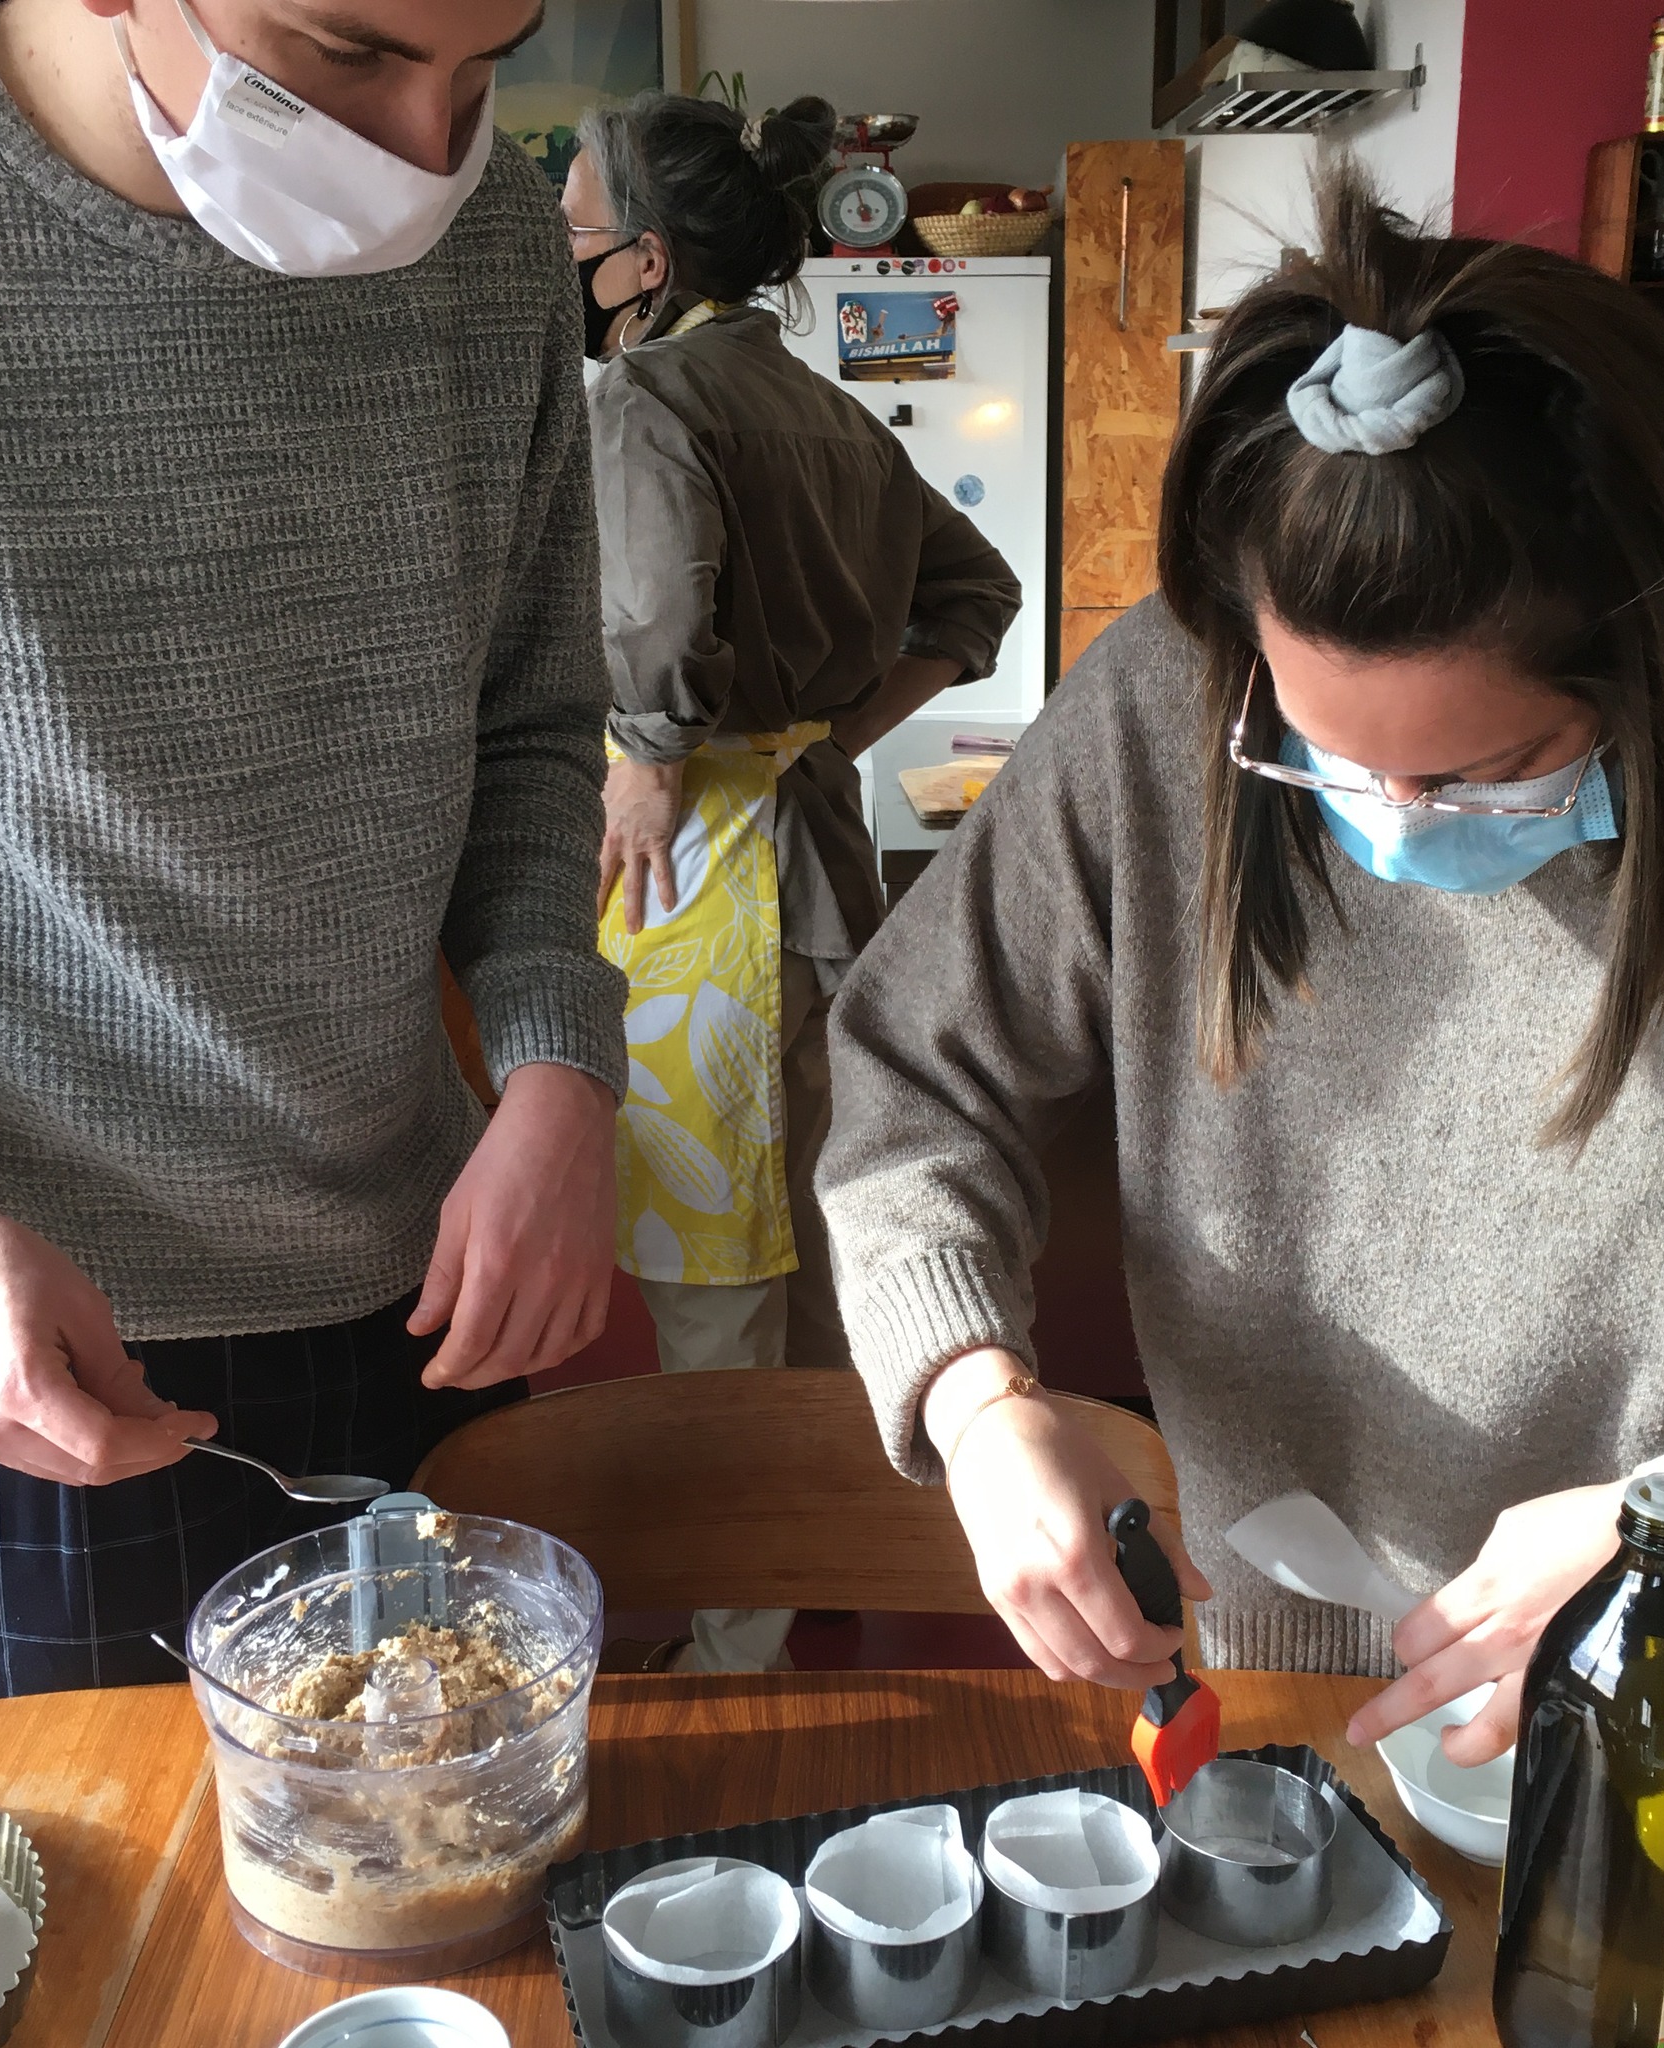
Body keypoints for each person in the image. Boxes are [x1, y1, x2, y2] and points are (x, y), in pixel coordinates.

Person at [817, 168, 1664, 1764]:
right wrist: (978, 1403)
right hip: (1279, 1665)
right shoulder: (1168, 704)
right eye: (1323, 763)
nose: (1393, 827)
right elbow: (912, 1072)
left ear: (1662, 656)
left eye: (1489, 767)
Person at [0, 0, 626, 1702]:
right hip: (36, 1314)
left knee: (467, 1863)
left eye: (489, 67)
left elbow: (530, 717)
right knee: (144, 1934)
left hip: (428, 1268)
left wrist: (559, 1063)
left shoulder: (494, 234)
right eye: (345, 56)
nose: (429, 150)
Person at [566, 91, 1020, 1671]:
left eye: (575, 222)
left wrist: (650, 750)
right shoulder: (827, 407)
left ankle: (740, 1640)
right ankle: (834, 1568)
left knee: (710, 1278)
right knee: (832, 1248)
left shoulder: (643, 397)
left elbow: (663, 632)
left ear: (645, 258)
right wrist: (823, 733)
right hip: (820, 860)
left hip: (695, 875)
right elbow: (981, 593)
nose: (565, 243)